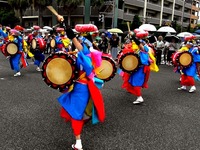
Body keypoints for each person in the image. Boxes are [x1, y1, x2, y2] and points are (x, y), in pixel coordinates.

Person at [56, 15, 106, 150]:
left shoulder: (84, 51)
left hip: (81, 88)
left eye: (79, 39)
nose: (77, 40)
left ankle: (78, 142)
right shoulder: (90, 52)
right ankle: (85, 117)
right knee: (76, 108)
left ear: (83, 41)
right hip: (82, 86)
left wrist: (64, 23)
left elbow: (72, 37)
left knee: (76, 114)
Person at [120, 31, 159, 104]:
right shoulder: (140, 48)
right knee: (132, 80)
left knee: (136, 82)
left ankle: (139, 97)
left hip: (141, 67)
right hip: (138, 67)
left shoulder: (144, 48)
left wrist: (133, 37)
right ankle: (137, 95)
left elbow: (139, 44)